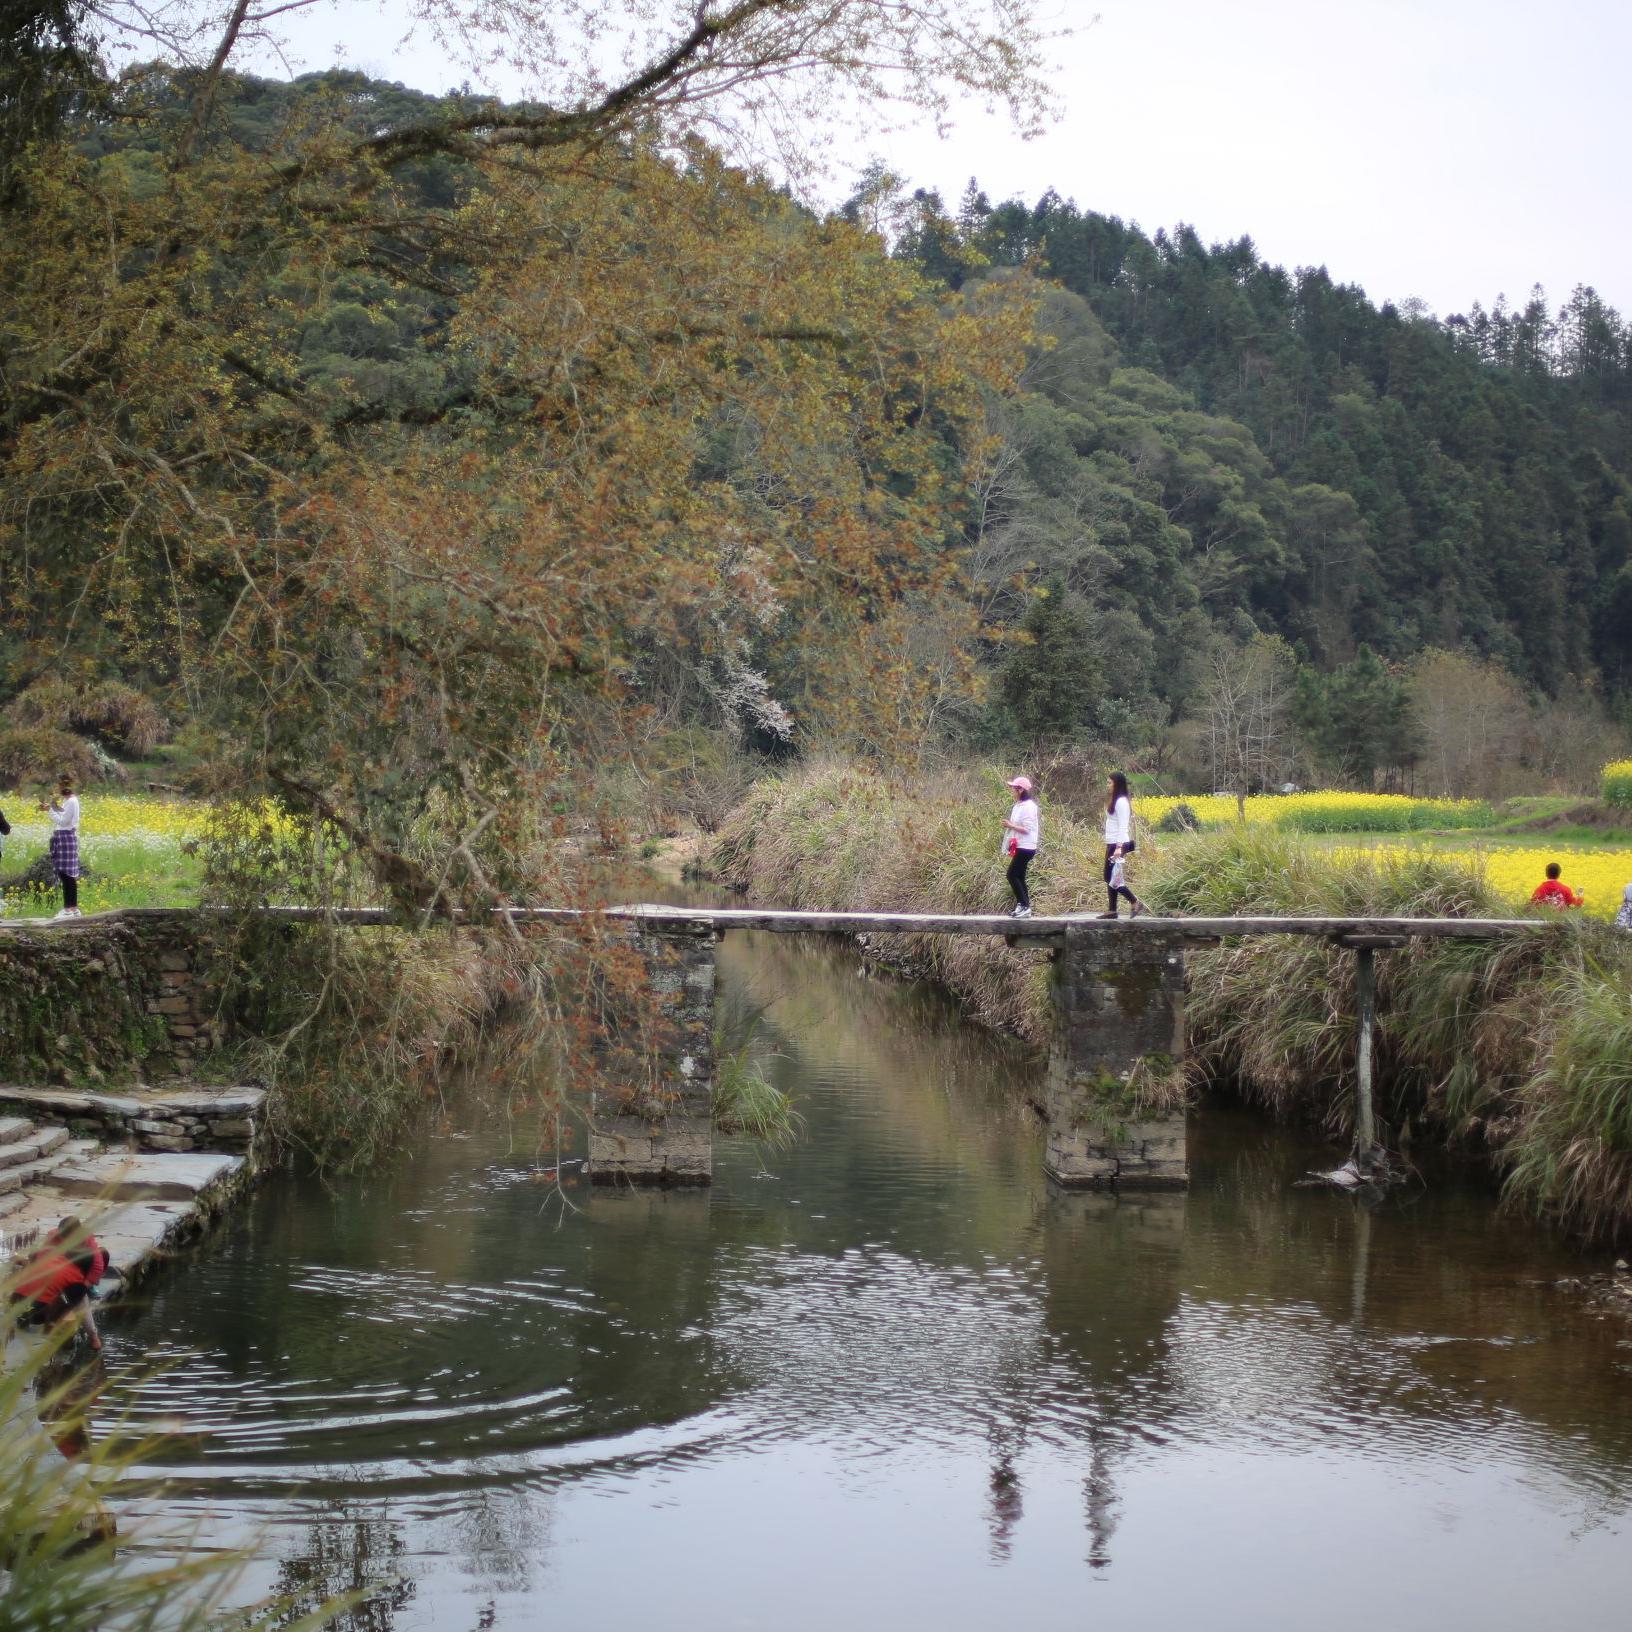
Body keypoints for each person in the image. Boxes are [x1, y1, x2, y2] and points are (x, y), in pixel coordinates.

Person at [1098, 770, 1146, 920]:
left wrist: (1119, 847)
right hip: (1112, 843)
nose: (1108, 785)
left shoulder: (1121, 802)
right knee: (1110, 876)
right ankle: (1112, 910)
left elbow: (1123, 826)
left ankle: (1135, 902)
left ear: (1116, 784)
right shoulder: (1116, 800)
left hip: (1118, 844)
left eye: (1109, 782)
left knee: (1111, 877)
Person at [40, 774, 81, 919]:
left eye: (59, 787)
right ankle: (73, 908)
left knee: (66, 875)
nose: (57, 790)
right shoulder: (70, 801)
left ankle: (69, 909)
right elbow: (63, 815)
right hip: (66, 837)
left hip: (65, 837)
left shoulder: (71, 802)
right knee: (68, 875)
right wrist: (51, 808)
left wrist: (50, 811)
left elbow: (63, 822)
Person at [1001, 775, 1040, 918]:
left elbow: (1027, 828)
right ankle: (1024, 906)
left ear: (1021, 790)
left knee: (1011, 875)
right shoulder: (1018, 806)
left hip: (1027, 847)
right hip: (1020, 845)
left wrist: (1010, 825)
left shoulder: (1029, 806)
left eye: (1014, 788)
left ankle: (1023, 905)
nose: (1012, 791)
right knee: (1020, 876)